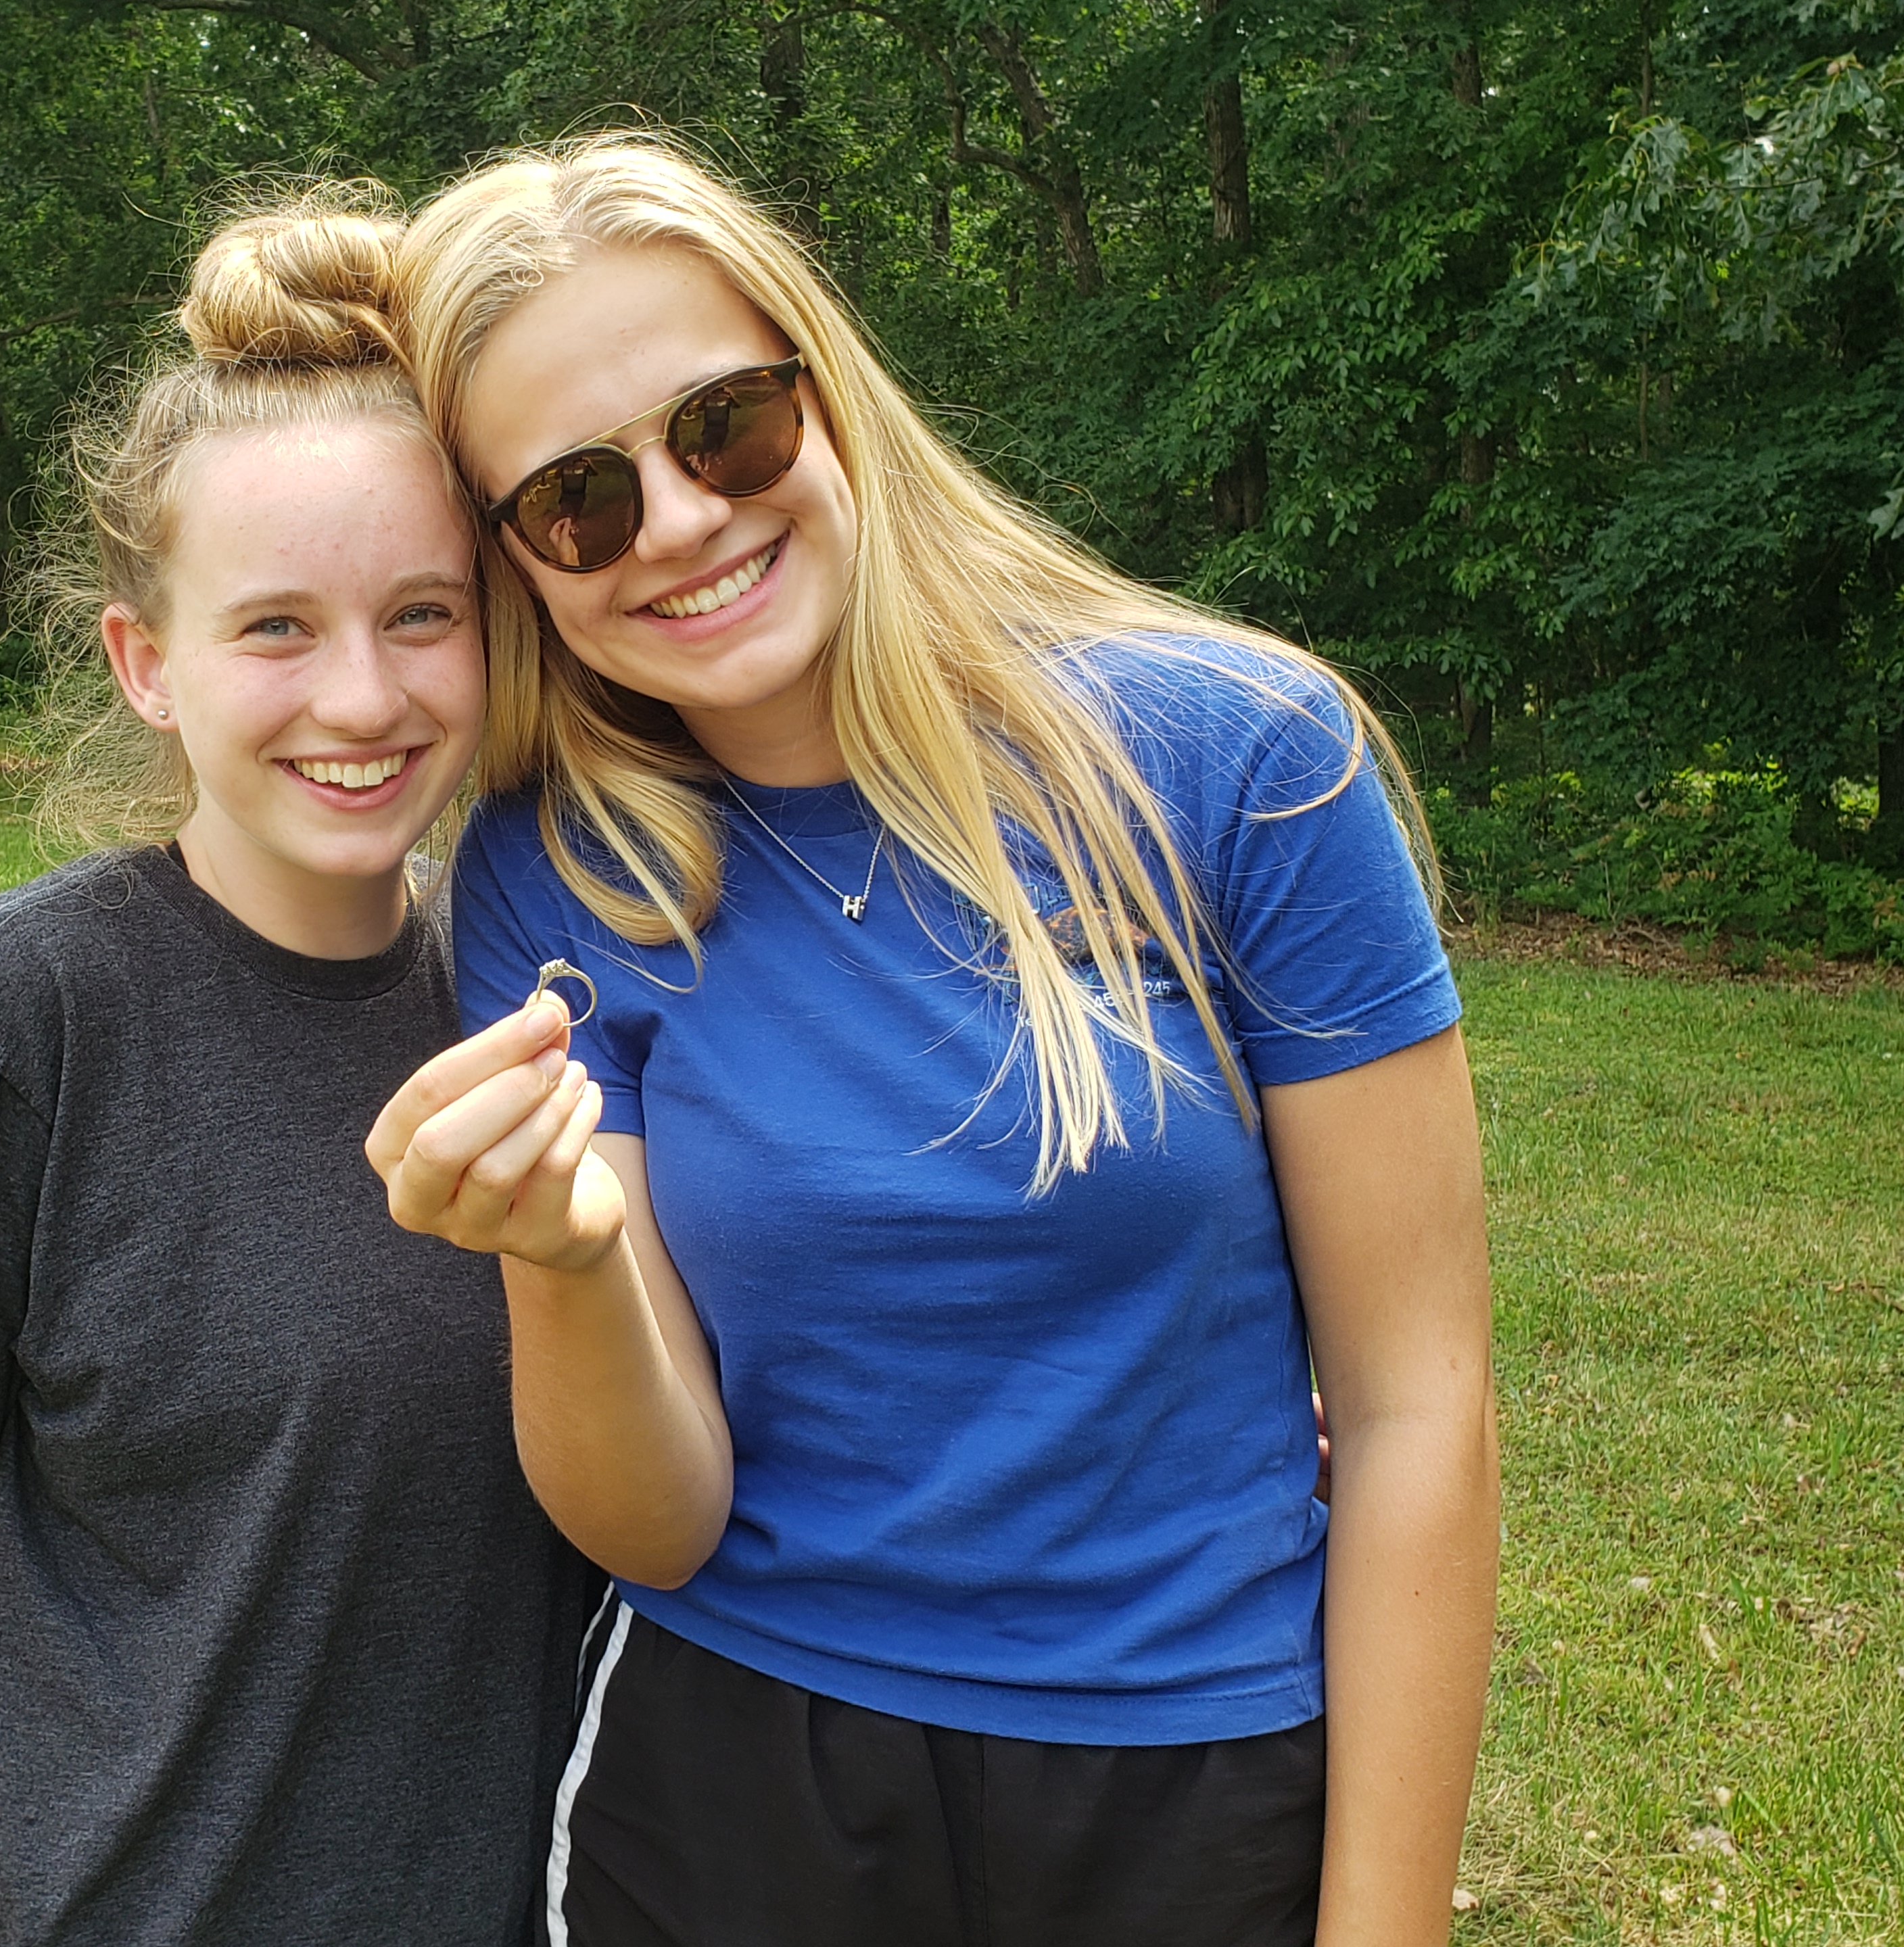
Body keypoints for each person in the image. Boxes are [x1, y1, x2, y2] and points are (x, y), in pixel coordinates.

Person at [366, 135, 1499, 1947]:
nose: (677, 521)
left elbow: (1416, 1409)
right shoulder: (557, 864)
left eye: (723, 426)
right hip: (729, 1784)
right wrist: (566, 1262)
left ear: (829, 397)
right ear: (521, 562)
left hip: (1198, 1778)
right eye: (578, 500)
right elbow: (652, 1526)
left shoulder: (1243, 765)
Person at [0, 193, 592, 1947]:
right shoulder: (19, 1018)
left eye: (421, 612)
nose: (361, 695)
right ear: (148, 663)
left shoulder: (556, 1007)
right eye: (275, 627)